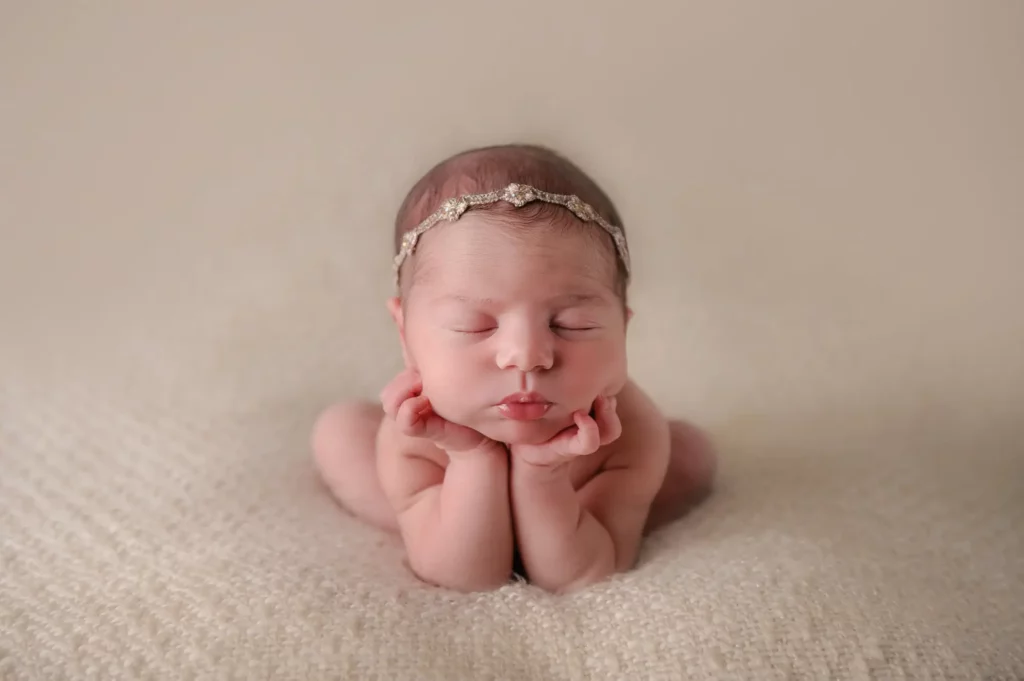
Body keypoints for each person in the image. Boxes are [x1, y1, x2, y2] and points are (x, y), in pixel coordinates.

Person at [312, 144, 716, 593]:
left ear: (623, 330)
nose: (526, 356)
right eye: (473, 326)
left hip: (579, 524)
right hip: (450, 509)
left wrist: (545, 474)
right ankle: (418, 519)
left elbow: (582, 576)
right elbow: (464, 578)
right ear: (405, 335)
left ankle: (610, 517)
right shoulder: (417, 430)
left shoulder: (630, 434)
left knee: (691, 456)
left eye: (571, 324)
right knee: (341, 431)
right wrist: (471, 457)